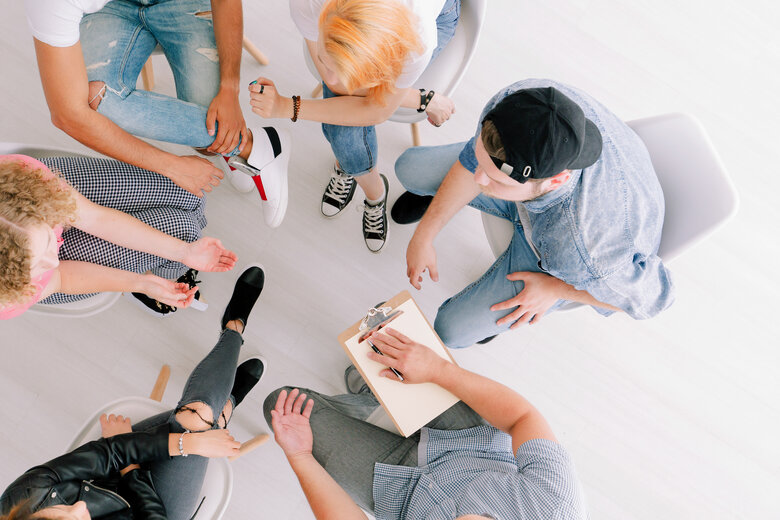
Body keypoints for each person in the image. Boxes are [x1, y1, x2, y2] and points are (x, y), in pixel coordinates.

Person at [392, 79, 675, 348]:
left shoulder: (589, 253)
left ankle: (487, 323)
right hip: (534, 201)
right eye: (480, 162)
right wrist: (424, 235)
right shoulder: (520, 102)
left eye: (495, 179)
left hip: (557, 250)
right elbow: (474, 168)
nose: (477, 179)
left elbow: (653, 300)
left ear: (555, 180)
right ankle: (448, 198)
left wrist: (557, 289)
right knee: (410, 168)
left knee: (451, 330)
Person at [0, 264, 267, 520]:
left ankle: (232, 342)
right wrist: (130, 470)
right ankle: (229, 375)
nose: (80, 506)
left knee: (197, 418)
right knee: (202, 418)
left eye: (63, 509)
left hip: (110, 472)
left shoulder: (22, 499)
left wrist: (190, 444)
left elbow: (106, 455)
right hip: (161, 509)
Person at [265, 327, 589, 520]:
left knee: (279, 404)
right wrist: (437, 370)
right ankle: (376, 396)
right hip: (467, 443)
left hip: (401, 497)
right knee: (383, 331)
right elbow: (523, 418)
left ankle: (372, 400)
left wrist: (300, 457)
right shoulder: (556, 506)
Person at [24, 0, 291, 227]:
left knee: (209, 130)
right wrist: (172, 166)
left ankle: (236, 149)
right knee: (94, 100)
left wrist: (230, 88)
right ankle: (251, 147)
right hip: (112, 9)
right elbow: (67, 114)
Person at [247, 0, 461, 252]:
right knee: (344, 127)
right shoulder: (308, 3)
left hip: (437, 14)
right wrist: (422, 100)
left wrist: (287, 107)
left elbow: (378, 109)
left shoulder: (416, 36)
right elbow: (336, 84)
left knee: (343, 134)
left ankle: (369, 187)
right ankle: (370, 188)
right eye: (325, 59)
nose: (330, 78)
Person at [0, 154, 237, 318]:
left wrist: (183, 251)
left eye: (48, 241)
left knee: (190, 193)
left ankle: (173, 258)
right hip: (66, 277)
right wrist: (140, 284)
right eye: (37, 266)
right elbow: (60, 276)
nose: (52, 261)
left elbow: (95, 219)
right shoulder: (8, 297)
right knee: (184, 230)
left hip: (35, 193)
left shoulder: (22, 184)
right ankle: (160, 271)